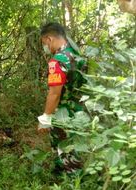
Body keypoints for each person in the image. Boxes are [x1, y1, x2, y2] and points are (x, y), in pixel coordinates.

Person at [37, 22, 87, 174]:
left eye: (44, 43)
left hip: (62, 115)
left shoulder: (57, 60)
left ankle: (72, 179)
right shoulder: (77, 55)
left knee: (65, 149)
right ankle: (62, 173)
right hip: (79, 111)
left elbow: (54, 93)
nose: (45, 48)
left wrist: (45, 119)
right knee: (74, 146)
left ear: (49, 39)